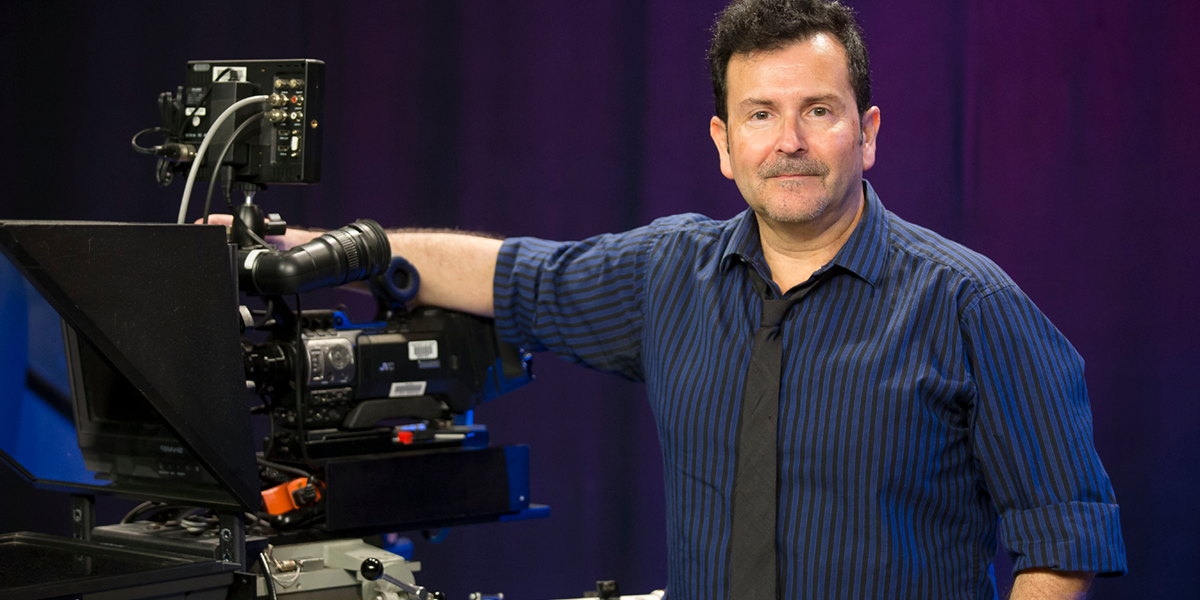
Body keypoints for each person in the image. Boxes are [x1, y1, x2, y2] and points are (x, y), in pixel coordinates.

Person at [236, 0, 1126, 597]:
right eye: (760, 115)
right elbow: (509, 275)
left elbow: (1064, 539)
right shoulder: (668, 274)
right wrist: (306, 255)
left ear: (869, 133)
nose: (790, 142)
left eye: (819, 110)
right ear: (723, 143)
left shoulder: (972, 304)